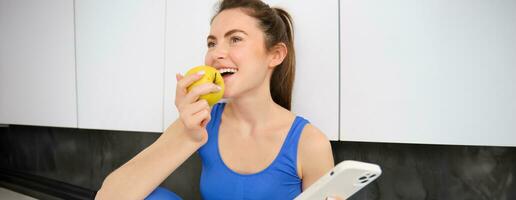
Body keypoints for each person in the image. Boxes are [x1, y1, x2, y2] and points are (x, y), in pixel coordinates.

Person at [95, 0, 334, 199]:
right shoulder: (202, 120)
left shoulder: (310, 143)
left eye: (235, 39)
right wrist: (188, 137)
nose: (216, 54)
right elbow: (108, 197)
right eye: (212, 43)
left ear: (275, 55)